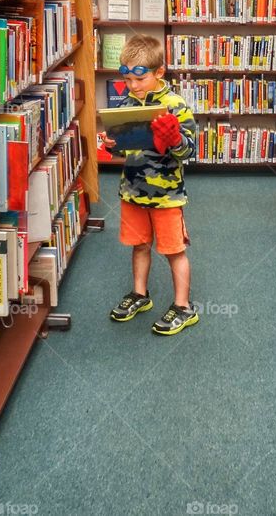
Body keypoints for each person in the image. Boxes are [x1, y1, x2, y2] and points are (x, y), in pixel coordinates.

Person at [99, 35, 199, 335]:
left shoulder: (175, 105)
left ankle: (183, 306)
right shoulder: (127, 103)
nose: (132, 86)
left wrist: (174, 139)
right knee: (139, 245)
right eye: (127, 79)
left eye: (138, 79)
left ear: (159, 72)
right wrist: (113, 145)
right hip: (132, 190)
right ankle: (140, 295)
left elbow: (189, 151)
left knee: (173, 250)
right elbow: (123, 150)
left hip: (167, 195)